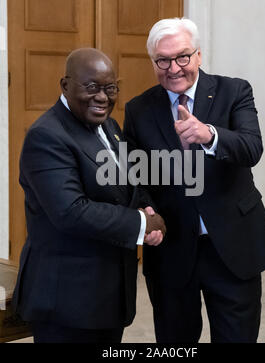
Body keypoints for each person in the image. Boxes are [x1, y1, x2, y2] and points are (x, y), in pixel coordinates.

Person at [123, 18, 265, 343]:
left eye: (182, 57)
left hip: (232, 248)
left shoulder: (234, 90)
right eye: (163, 60)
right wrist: (146, 209)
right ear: (154, 61)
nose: (174, 68)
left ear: (199, 55)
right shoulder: (139, 109)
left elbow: (252, 148)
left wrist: (208, 134)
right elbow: (134, 176)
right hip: (172, 251)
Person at [12, 48, 166, 343]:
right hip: (66, 301)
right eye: (91, 87)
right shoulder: (46, 136)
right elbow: (71, 211)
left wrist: (145, 207)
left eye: (110, 88)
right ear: (65, 85)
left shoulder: (109, 125)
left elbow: (128, 182)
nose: (103, 97)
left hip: (106, 297)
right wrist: (141, 224)